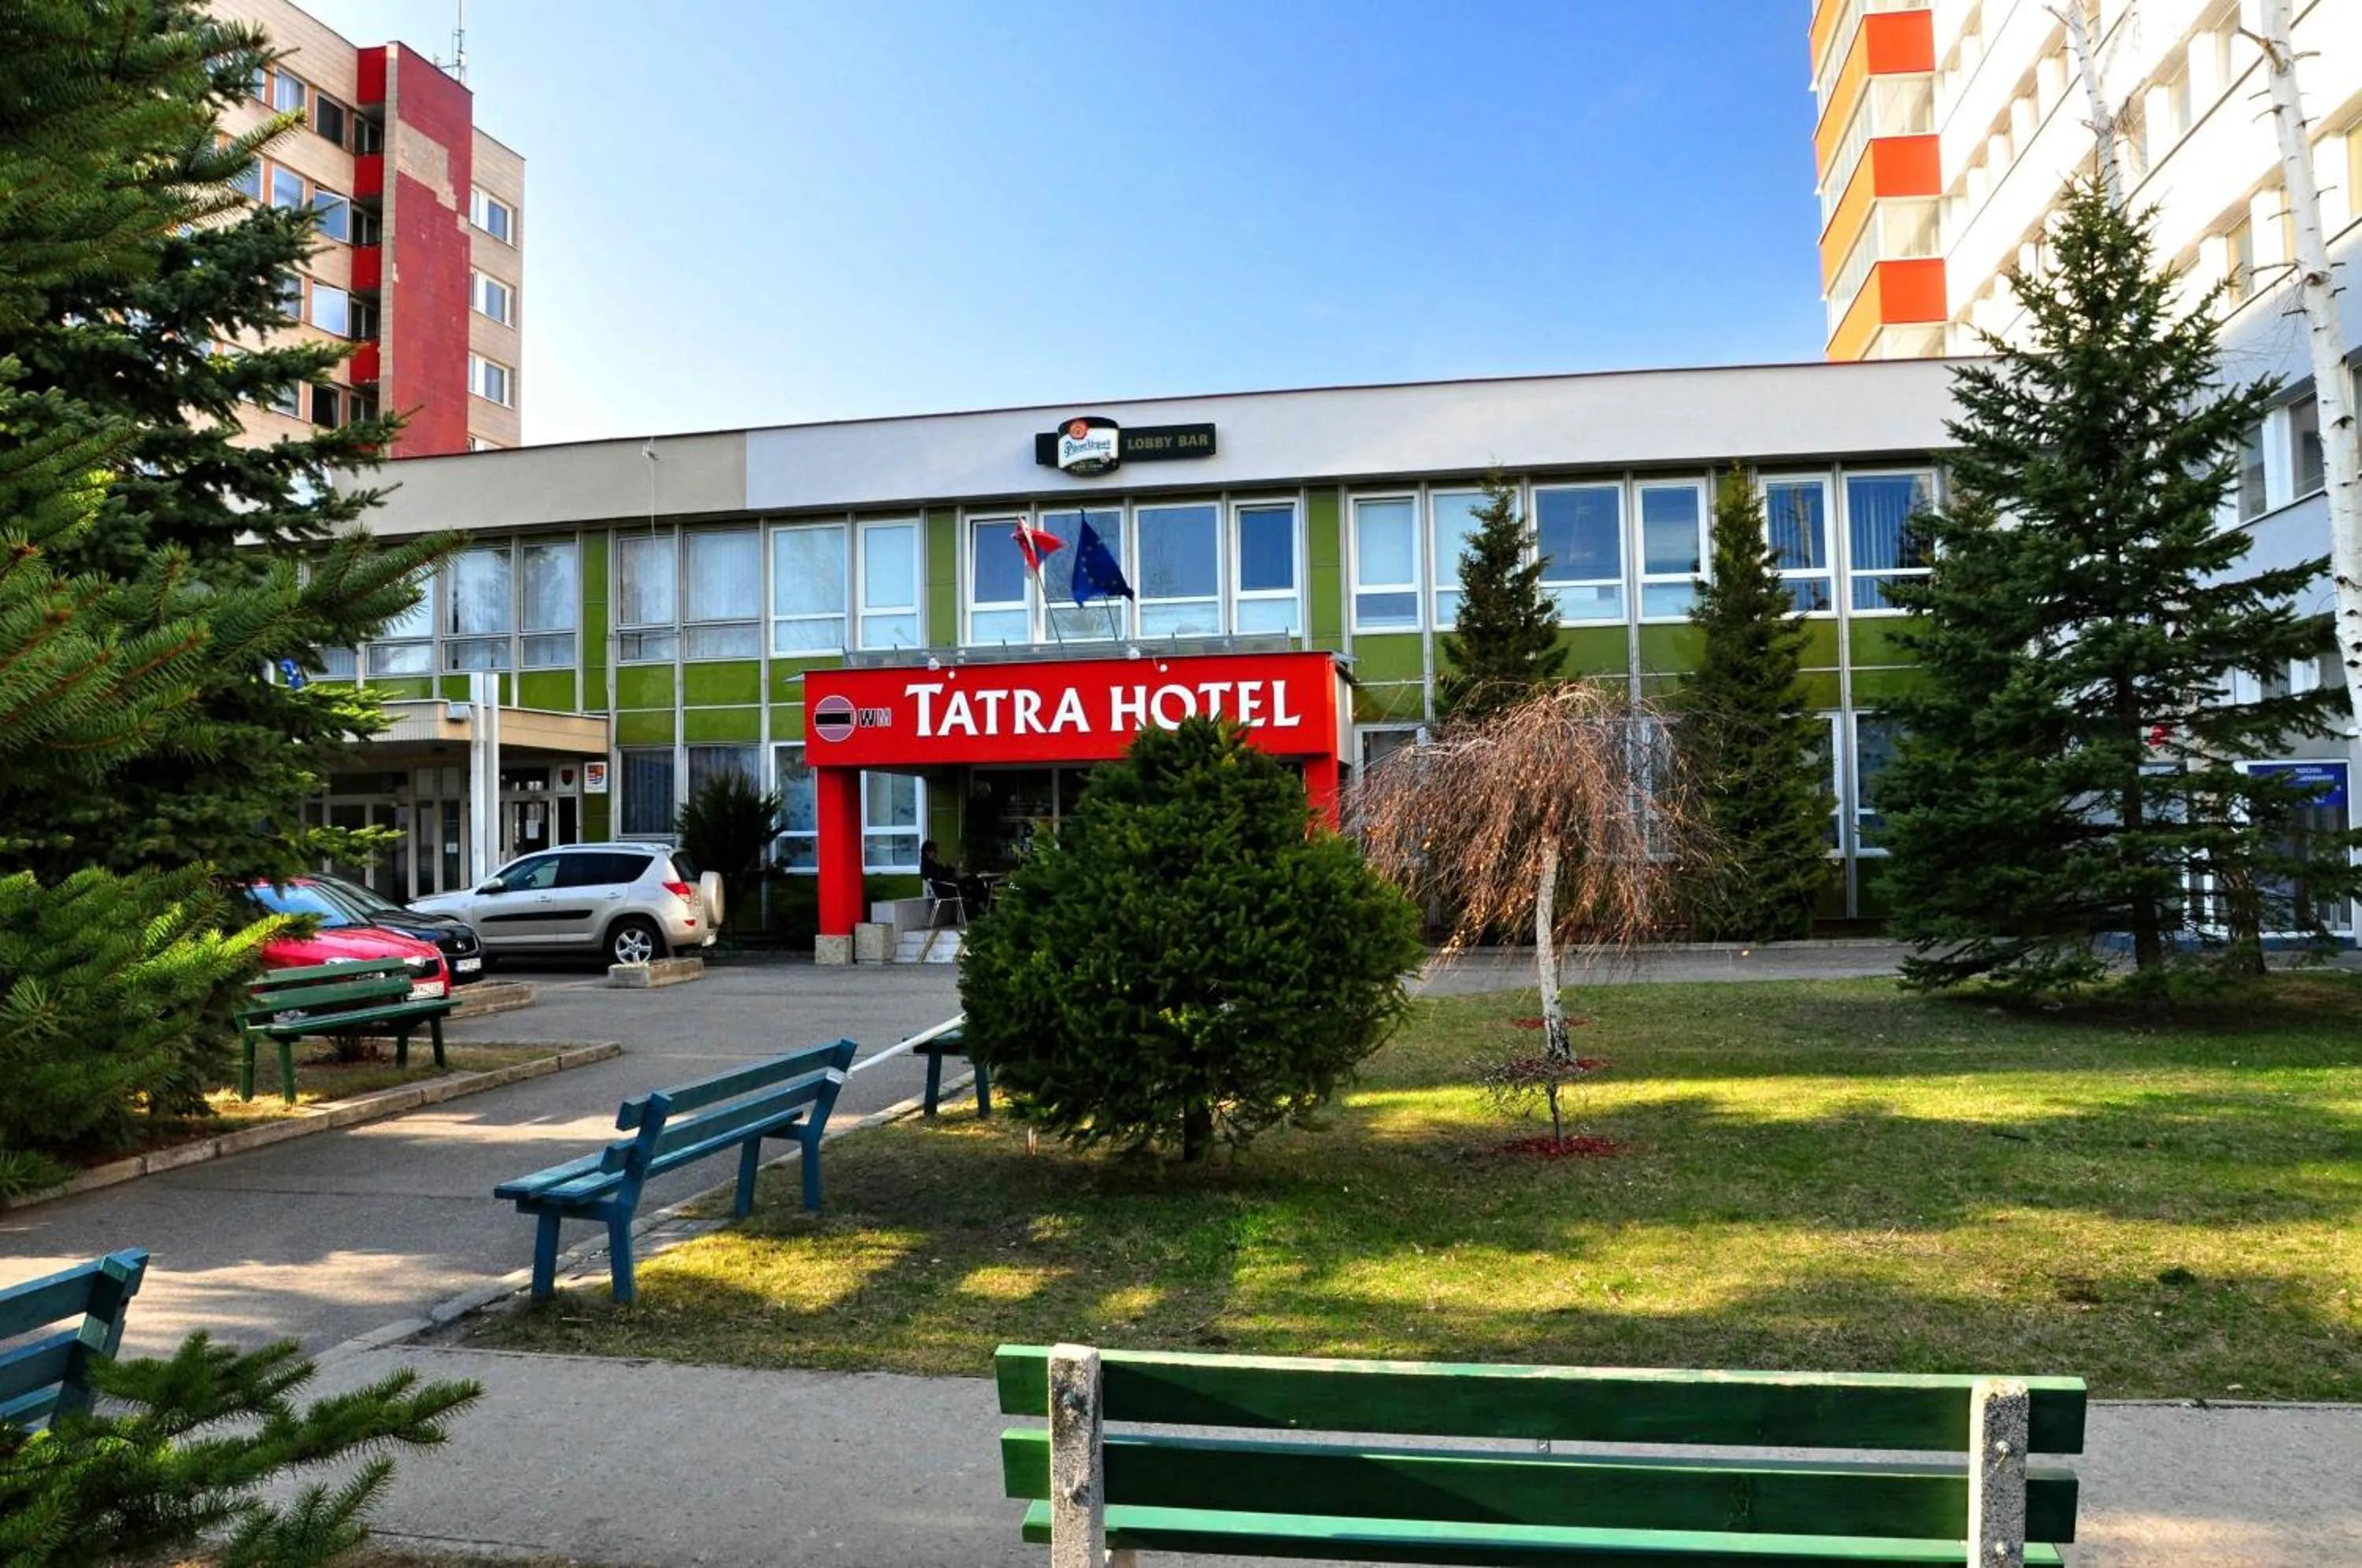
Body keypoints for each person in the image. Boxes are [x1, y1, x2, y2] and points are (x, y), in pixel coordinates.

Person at [919, 840, 989, 921]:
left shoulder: (931, 864)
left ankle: (979, 904)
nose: (936, 853)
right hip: (947, 890)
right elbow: (941, 876)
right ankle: (980, 905)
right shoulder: (927, 866)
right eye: (935, 851)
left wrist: (952, 870)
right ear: (928, 852)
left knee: (975, 882)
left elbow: (943, 875)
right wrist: (950, 868)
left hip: (950, 886)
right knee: (974, 884)